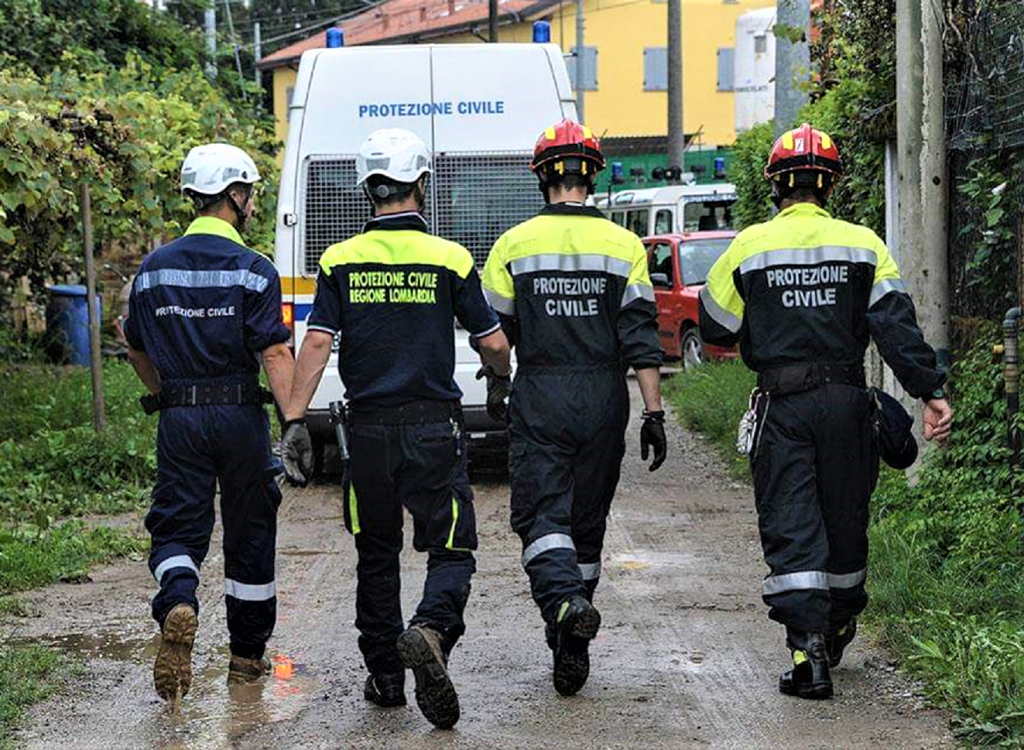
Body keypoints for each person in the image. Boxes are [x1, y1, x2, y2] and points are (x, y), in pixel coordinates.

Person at [698, 123, 953, 700]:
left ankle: (807, 653)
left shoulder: (749, 246)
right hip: (847, 402)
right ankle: (837, 625)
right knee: (844, 517)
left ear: (775, 187)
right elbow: (896, 328)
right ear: (831, 185)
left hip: (783, 405)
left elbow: (714, 325)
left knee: (791, 518)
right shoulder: (864, 244)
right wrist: (930, 392)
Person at [280, 128, 511, 729]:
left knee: (376, 554)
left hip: (368, 435)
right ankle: (431, 629)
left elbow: (316, 344)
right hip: (434, 429)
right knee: (452, 544)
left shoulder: (338, 260)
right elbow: (492, 342)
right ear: (422, 185)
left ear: (367, 189)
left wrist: (295, 419)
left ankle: (385, 677)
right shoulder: (450, 258)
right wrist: (499, 378)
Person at [479, 119, 667, 697]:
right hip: (604, 397)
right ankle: (572, 638)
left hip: (542, 392)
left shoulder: (513, 245)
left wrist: (498, 384)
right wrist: (654, 413)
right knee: (587, 522)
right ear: (592, 178)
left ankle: (563, 604)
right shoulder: (624, 246)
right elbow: (641, 339)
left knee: (541, 515)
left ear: (542, 178)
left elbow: (496, 338)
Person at [124, 143, 295, 705]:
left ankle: (178, 598)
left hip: (180, 418)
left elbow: (135, 348)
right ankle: (246, 658)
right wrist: (294, 419)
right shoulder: (254, 270)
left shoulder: (153, 271)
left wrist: (168, 394)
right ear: (235, 195)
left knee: (176, 523)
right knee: (250, 530)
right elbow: (274, 353)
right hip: (240, 415)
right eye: (250, 195)